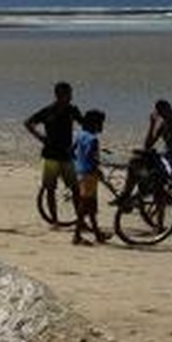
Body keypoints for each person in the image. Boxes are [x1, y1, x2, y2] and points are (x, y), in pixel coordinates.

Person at [24, 82, 83, 227]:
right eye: (68, 94)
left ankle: (80, 220)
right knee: (50, 189)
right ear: (59, 95)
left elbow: (85, 126)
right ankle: (54, 220)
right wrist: (40, 137)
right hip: (50, 155)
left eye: (70, 94)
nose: (70, 97)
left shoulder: (72, 110)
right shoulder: (48, 111)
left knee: (75, 189)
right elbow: (28, 123)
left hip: (67, 155)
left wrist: (76, 144)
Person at [72, 109, 109, 245]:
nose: (102, 126)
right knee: (86, 204)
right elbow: (91, 157)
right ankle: (76, 235)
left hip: (80, 172)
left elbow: (72, 151)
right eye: (100, 123)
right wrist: (97, 170)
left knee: (91, 205)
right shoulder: (93, 140)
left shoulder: (80, 134)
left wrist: (78, 164)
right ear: (94, 124)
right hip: (89, 174)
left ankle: (97, 233)